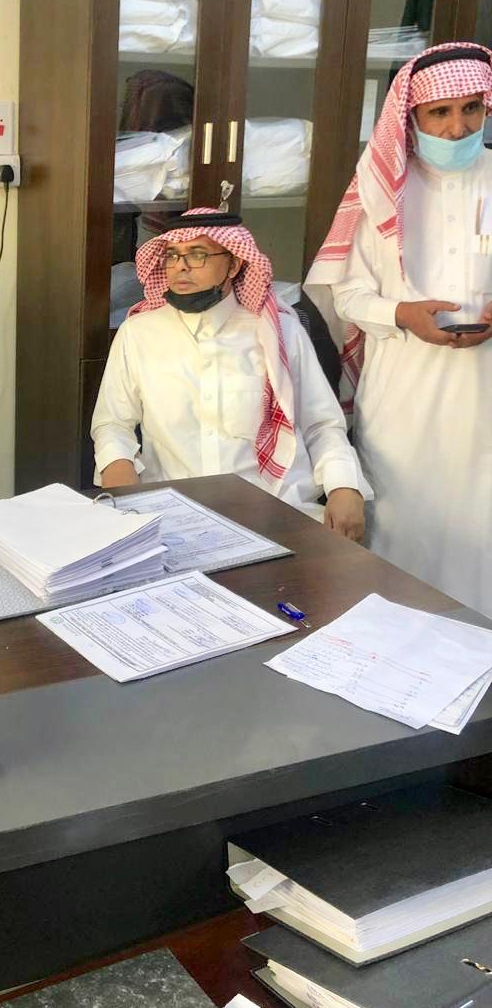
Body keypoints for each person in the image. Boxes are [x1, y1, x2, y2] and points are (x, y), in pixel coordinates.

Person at [305, 41, 492, 607]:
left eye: (472, 108)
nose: (458, 127)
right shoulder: (381, 186)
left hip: (483, 399)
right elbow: (345, 293)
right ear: (411, 117)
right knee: (403, 534)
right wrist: (402, 314)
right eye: (440, 112)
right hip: (404, 398)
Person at [91, 208, 369, 539]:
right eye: (172, 255)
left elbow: (321, 425)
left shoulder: (280, 332)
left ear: (234, 264)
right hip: (177, 518)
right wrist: (119, 474)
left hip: (277, 513)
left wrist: (344, 487)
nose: (180, 266)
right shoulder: (138, 333)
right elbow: (113, 424)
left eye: (197, 254)